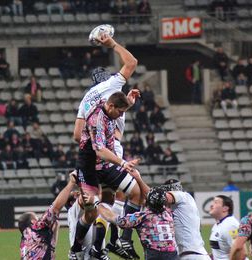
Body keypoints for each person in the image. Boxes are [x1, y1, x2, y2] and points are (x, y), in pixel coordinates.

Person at [71, 33, 140, 260]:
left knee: (102, 205)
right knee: (107, 203)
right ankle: (112, 243)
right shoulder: (111, 87)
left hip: (99, 154)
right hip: (106, 154)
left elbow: (75, 136)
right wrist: (111, 43)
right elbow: (131, 63)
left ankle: (100, 248)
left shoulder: (88, 99)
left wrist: (89, 140)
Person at [98, 187, 178, 260]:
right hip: (173, 254)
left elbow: (119, 221)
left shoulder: (143, 217)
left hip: (155, 255)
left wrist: (98, 205)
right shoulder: (170, 214)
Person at [19, 172, 77, 259]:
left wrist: (55, 228)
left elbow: (49, 248)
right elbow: (55, 208)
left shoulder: (25, 242)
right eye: (37, 218)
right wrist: (72, 182)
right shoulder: (35, 228)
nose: (39, 219)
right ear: (32, 222)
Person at [161, 179, 211, 260]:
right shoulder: (180, 206)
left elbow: (158, 198)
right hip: (190, 254)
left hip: (193, 254)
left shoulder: (183, 196)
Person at [209, 195, 240, 260]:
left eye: (216, 202)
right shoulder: (218, 225)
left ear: (225, 208)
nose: (211, 205)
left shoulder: (231, 225)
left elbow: (239, 251)